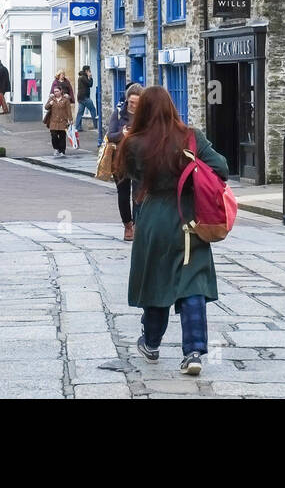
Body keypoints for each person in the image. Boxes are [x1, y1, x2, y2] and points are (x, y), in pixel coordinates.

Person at [119, 85, 229, 377]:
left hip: (153, 219)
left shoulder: (134, 143)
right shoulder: (192, 137)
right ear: (172, 107)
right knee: (192, 283)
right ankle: (193, 352)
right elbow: (222, 167)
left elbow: (129, 176)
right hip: (190, 218)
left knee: (156, 281)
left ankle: (152, 343)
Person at [107, 82, 144, 241]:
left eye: (137, 103)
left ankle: (137, 225)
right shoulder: (118, 114)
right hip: (120, 160)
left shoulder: (145, 115)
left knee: (138, 194)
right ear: (127, 100)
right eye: (131, 102)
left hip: (139, 160)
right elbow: (110, 136)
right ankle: (127, 225)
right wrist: (122, 133)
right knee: (123, 194)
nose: (133, 105)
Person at [44, 85, 73, 156]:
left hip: (63, 121)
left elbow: (68, 110)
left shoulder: (65, 99)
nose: (55, 93)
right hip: (53, 121)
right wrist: (49, 104)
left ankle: (62, 151)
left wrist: (70, 119)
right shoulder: (51, 99)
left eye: (57, 91)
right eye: (54, 92)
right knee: (54, 136)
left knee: (62, 137)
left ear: (61, 91)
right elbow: (46, 107)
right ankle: (56, 148)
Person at [75, 65, 97, 130]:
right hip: (84, 97)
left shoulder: (81, 77)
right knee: (93, 110)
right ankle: (96, 125)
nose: (90, 72)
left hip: (81, 98)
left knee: (80, 112)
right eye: (89, 71)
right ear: (86, 71)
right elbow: (90, 84)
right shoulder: (83, 77)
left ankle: (78, 127)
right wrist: (90, 77)